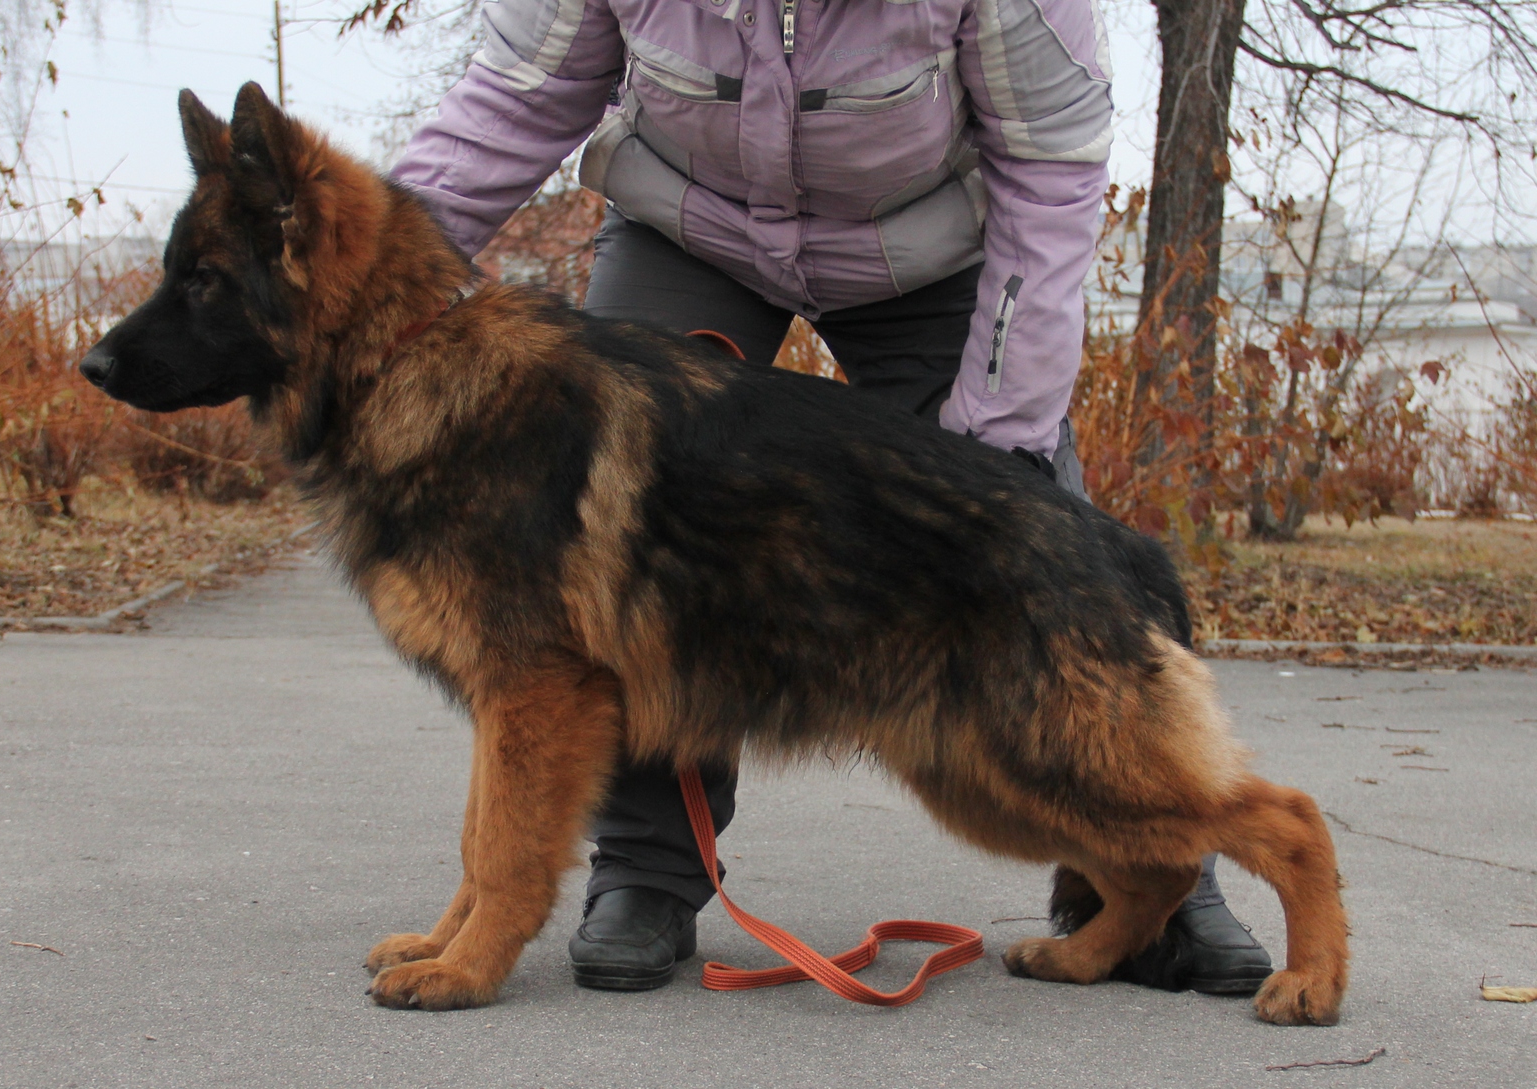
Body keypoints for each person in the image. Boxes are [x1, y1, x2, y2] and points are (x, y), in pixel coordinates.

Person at [392, 0, 1272, 998]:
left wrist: (995, 454)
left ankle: (1174, 864)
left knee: (1032, 532)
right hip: (693, 232)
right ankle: (645, 869)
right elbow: (512, 100)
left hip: (929, 252)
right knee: (615, 560)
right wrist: (373, 268)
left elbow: (1051, 171)